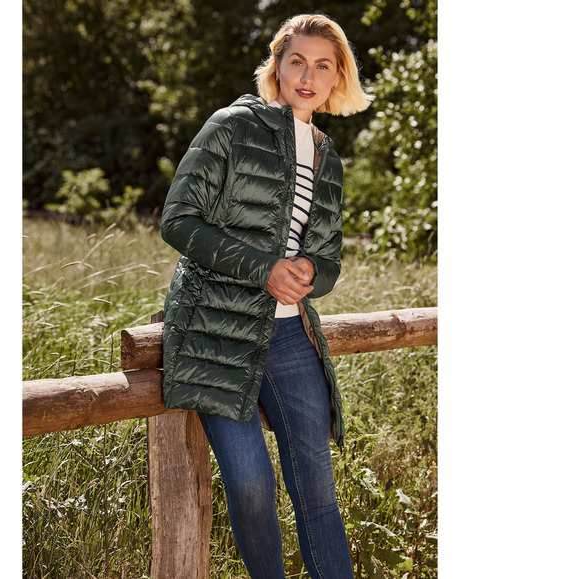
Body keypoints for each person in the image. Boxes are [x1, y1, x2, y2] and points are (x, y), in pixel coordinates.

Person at [160, 13, 373, 578]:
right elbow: (178, 220)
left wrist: (310, 271)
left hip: (291, 337)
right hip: (215, 332)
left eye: (322, 66)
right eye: (296, 61)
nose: (307, 76)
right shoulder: (231, 126)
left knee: (318, 492)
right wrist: (264, 269)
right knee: (251, 485)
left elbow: (329, 259)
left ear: (337, 77)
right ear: (277, 66)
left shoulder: (327, 157)